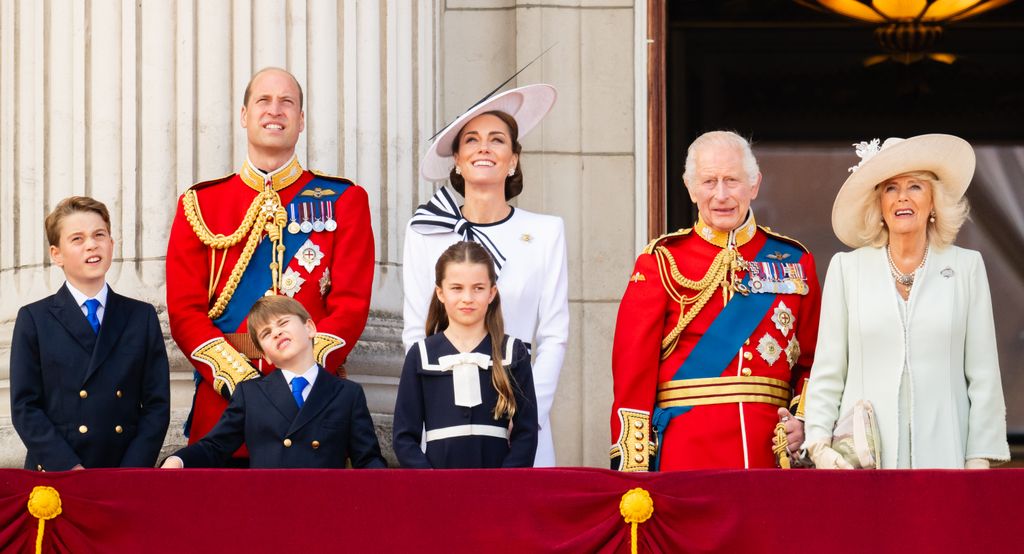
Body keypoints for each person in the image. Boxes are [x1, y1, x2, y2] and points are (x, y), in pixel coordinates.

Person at [165, 67, 374, 461]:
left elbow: (350, 307)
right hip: (224, 405)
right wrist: (243, 383)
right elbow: (184, 312)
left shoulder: (344, 200)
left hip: (310, 407)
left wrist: (298, 375)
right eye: (264, 100)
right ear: (245, 115)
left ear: (301, 120)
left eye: (286, 102)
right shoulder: (201, 204)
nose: (274, 110)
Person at [610, 131, 822, 471]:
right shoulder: (661, 261)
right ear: (691, 188)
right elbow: (632, 375)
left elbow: (816, 362)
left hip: (768, 454)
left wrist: (804, 420)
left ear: (754, 185)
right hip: (684, 454)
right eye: (709, 182)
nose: (721, 195)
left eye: (732, 180)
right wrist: (634, 470)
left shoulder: (795, 261)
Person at [804, 134, 1010, 469]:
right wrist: (818, 443)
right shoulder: (847, 269)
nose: (902, 197)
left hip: (946, 459)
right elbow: (828, 370)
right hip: (864, 463)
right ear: (879, 204)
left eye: (915, 186)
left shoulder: (966, 267)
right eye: (891, 188)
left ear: (933, 201)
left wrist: (978, 459)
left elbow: (983, 375)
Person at [403, 84, 567, 467]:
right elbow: (415, 332)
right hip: (444, 415)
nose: (484, 148)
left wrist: (527, 416)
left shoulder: (546, 231)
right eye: (472, 140)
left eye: (497, 140)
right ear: (457, 160)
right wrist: (436, 408)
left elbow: (554, 336)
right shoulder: (425, 231)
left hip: (519, 411)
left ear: (513, 159)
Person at [10, 196, 170, 471]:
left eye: (99, 235)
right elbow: (25, 406)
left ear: (111, 243)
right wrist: (68, 468)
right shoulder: (34, 319)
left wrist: (130, 472)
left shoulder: (141, 316)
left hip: (123, 472)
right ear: (56, 254)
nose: (92, 245)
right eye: (77, 239)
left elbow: (157, 405)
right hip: (58, 473)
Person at [161, 296, 385, 469]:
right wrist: (178, 460)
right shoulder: (251, 395)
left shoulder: (347, 393)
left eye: (283, 323)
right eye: (266, 333)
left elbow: (367, 459)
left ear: (310, 328)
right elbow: (215, 446)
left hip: (325, 505)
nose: (277, 333)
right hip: (268, 504)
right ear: (265, 355)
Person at [393, 241, 538, 468]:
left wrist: (505, 482)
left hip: (498, 484)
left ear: (492, 293)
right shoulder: (420, 355)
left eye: (478, 288)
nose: (468, 298)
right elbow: (404, 438)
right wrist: (429, 480)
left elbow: (526, 433)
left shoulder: (512, 352)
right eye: (457, 288)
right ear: (440, 293)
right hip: (438, 485)